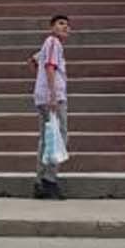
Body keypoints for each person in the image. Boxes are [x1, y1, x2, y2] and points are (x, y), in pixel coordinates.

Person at [31, 14, 71, 200]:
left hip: (42, 97)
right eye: (61, 24)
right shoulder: (54, 43)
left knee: (46, 138)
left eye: (67, 25)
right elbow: (49, 67)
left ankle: (40, 181)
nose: (65, 27)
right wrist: (53, 95)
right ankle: (49, 179)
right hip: (52, 98)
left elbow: (34, 60)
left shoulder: (48, 44)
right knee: (58, 137)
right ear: (52, 27)